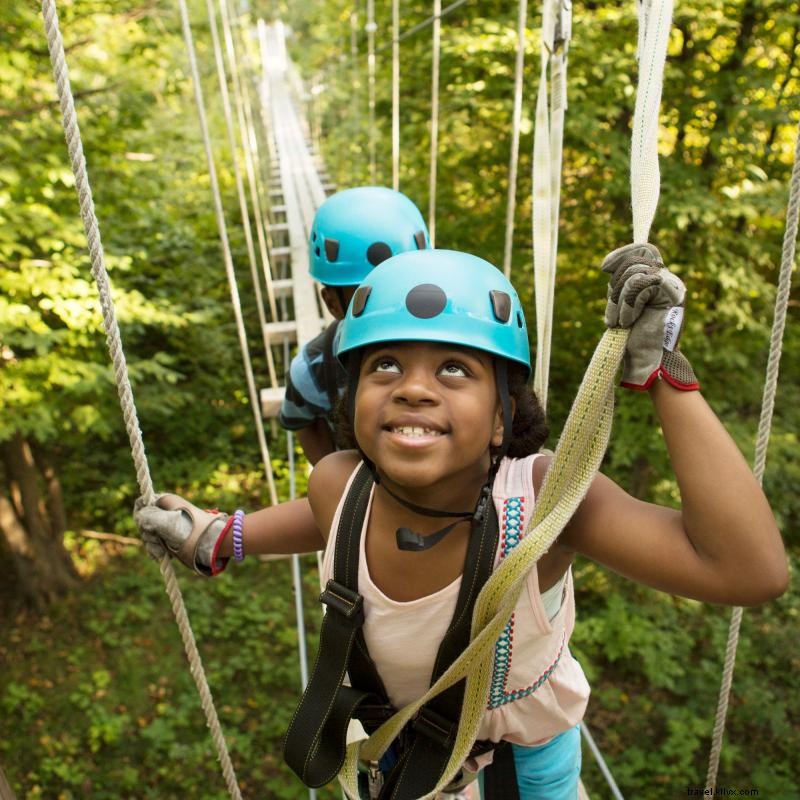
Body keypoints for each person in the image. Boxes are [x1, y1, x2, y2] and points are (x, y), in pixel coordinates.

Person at [136, 247, 787, 799]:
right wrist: (222, 536)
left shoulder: (543, 503)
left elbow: (746, 570)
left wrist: (664, 377)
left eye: (455, 369)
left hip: (528, 773)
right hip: (401, 762)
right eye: (384, 365)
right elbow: (326, 526)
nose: (413, 388)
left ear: (503, 417)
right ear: (354, 398)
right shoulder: (337, 483)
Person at [278, 185, 430, 465]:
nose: (390, 308)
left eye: (404, 288)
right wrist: (336, 482)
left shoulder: (453, 345)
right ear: (333, 304)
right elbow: (303, 421)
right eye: (369, 296)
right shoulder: (314, 370)